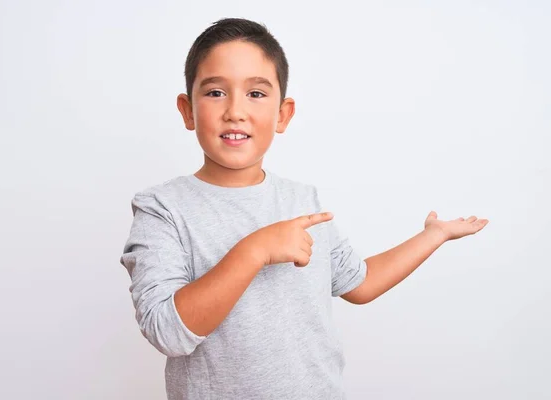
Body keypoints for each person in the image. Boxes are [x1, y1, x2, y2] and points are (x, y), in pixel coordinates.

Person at [119, 17, 489, 400]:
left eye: (256, 94)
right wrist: (256, 250)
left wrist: (433, 236)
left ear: (283, 114)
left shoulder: (302, 201)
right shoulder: (162, 209)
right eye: (215, 92)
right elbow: (166, 332)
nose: (235, 111)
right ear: (187, 110)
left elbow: (359, 283)